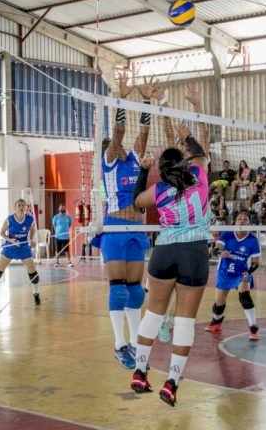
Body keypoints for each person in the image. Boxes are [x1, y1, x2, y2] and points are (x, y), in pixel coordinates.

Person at [129, 117, 211, 407]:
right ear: (186, 164)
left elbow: (137, 200)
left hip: (164, 253)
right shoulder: (200, 178)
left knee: (152, 315)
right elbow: (200, 154)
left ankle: (140, 371)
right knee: (185, 321)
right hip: (194, 254)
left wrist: (143, 169)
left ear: (163, 171)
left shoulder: (160, 190)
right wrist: (187, 137)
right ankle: (172, 382)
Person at [93, 75, 158, 369]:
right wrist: (120, 97)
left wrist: (145, 100)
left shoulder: (133, 158)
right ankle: (118, 344)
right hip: (115, 229)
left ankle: (133, 342)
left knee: (134, 291)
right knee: (118, 290)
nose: (118, 147)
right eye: (113, 146)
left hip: (137, 229)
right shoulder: (110, 161)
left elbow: (143, 132)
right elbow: (118, 132)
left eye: (118, 146)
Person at [203, 211, 262, 340]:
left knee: (244, 296)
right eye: (239, 219)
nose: (242, 221)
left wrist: (249, 272)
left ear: (249, 223)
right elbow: (216, 250)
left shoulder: (253, 240)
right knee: (218, 305)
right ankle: (217, 321)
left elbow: (256, 262)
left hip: (242, 273)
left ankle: (253, 327)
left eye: (245, 219)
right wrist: (220, 253)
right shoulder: (227, 234)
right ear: (234, 221)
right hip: (224, 272)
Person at [0, 198, 41, 306]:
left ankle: (36, 295)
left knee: (33, 272)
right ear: (15, 207)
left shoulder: (30, 219)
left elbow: (33, 230)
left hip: (23, 248)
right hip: (10, 247)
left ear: (26, 207)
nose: (22, 207)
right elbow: (2, 233)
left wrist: (32, 239)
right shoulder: (10, 219)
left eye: (24, 205)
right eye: (20, 205)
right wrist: (11, 240)